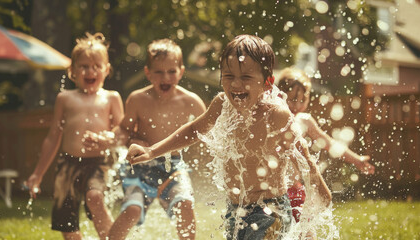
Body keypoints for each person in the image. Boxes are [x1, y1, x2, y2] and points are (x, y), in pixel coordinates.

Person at [127, 35, 332, 240]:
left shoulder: (277, 115)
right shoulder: (222, 104)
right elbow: (193, 130)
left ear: (268, 82)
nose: (236, 84)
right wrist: (151, 151)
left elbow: (301, 153)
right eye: (228, 75)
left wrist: (321, 189)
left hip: (270, 210)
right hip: (236, 210)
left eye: (246, 78)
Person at [102, 38, 206, 240]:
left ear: (181, 72)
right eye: (158, 72)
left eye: (171, 71)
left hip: (173, 165)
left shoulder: (191, 102)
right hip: (140, 165)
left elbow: (208, 132)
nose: (165, 77)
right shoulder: (138, 99)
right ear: (148, 73)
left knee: (185, 203)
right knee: (132, 210)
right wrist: (125, 139)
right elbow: (124, 130)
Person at [25, 32, 123, 240]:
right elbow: (53, 137)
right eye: (84, 66)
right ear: (73, 71)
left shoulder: (111, 98)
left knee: (94, 196)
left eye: (97, 66)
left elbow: (122, 133)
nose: (90, 70)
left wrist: (107, 138)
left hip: (98, 163)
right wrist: (38, 174)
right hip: (67, 164)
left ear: (106, 70)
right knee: (65, 219)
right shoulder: (65, 99)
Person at [277, 67, 375, 223]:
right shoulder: (272, 119)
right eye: (292, 99)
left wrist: (356, 159)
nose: (297, 105)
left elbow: (330, 144)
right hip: (273, 191)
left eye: (303, 100)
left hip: (295, 189)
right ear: (280, 95)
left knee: (306, 230)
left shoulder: (304, 121)